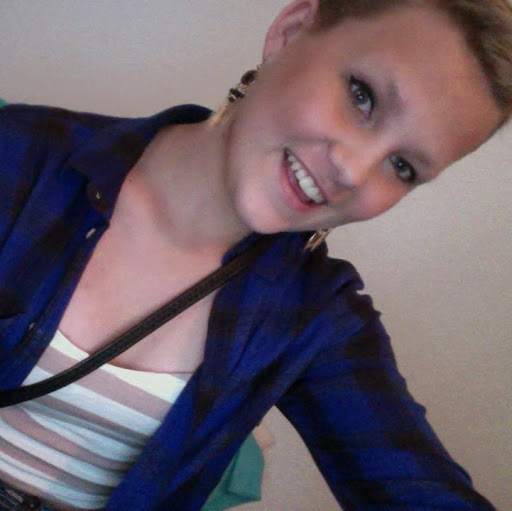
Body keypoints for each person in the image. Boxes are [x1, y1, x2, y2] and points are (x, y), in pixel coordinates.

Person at [0, 0, 511, 510]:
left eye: (402, 167)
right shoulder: (18, 154)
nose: (353, 172)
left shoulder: (315, 314)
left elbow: (416, 490)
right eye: (363, 96)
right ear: (292, 31)